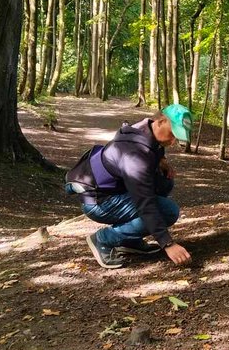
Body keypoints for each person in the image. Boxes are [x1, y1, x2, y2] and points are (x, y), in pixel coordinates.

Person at [73, 104, 194, 269]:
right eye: (172, 134)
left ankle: (130, 240)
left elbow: (153, 150)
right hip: (100, 201)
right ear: (160, 121)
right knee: (168, 211)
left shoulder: (144, 128)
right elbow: (145, 203)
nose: (173, 141)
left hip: (114, 190)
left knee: (164, 182)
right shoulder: (135, 157)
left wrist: (161, 160)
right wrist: (167, 244)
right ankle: (103, 239)